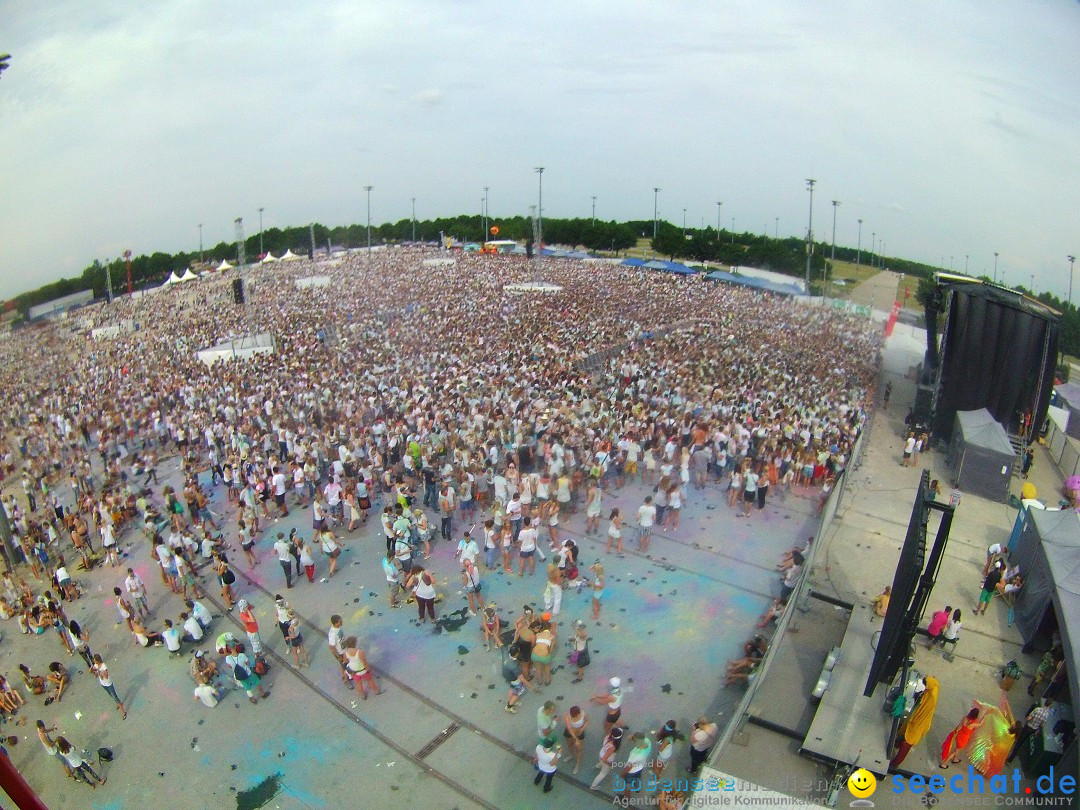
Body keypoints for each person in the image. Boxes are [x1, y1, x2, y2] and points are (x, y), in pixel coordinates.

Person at [890, 675, 939, 768]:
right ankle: (898, 744)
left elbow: (923, 708)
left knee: (907, 742)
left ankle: (895, 763)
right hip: (916, 718)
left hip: (919, 722)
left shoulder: (931, 697)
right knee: (905, 732)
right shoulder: (933, 687)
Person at [1006, 698, 1053, 764]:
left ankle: (1010, 759)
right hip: (1033, 730)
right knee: (1023, 740)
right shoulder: (1046, 715)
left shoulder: (1037, 710)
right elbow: (1042, 725)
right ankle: (1019, 744)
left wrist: (1030, 718)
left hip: (1028, 727)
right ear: (1049, 706)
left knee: (1019, 742)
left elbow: (1028, 718)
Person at [90, 654, 127, 719]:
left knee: (115, 696)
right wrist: (92, 670)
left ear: (97, 660)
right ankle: (118, 703)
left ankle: (123, 712)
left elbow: (106, 676)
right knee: (110, 694)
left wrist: (98, 670)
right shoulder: (95, 665)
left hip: (108, 684)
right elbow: (95, 675)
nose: (94, 661)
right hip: (103, 684)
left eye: (95, 660)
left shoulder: (103, 666)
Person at [562, 705, 590, 774]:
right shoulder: (567, 715)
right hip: (570, 732)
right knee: (570, 744)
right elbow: (569, 728)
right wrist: (575, 739)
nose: (572, 716)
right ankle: (571, 755)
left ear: (578, 713)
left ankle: (577, 765)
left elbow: (587, 721)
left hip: (579, 732)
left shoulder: (583, 714)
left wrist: (582, 729)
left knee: (579, 749)